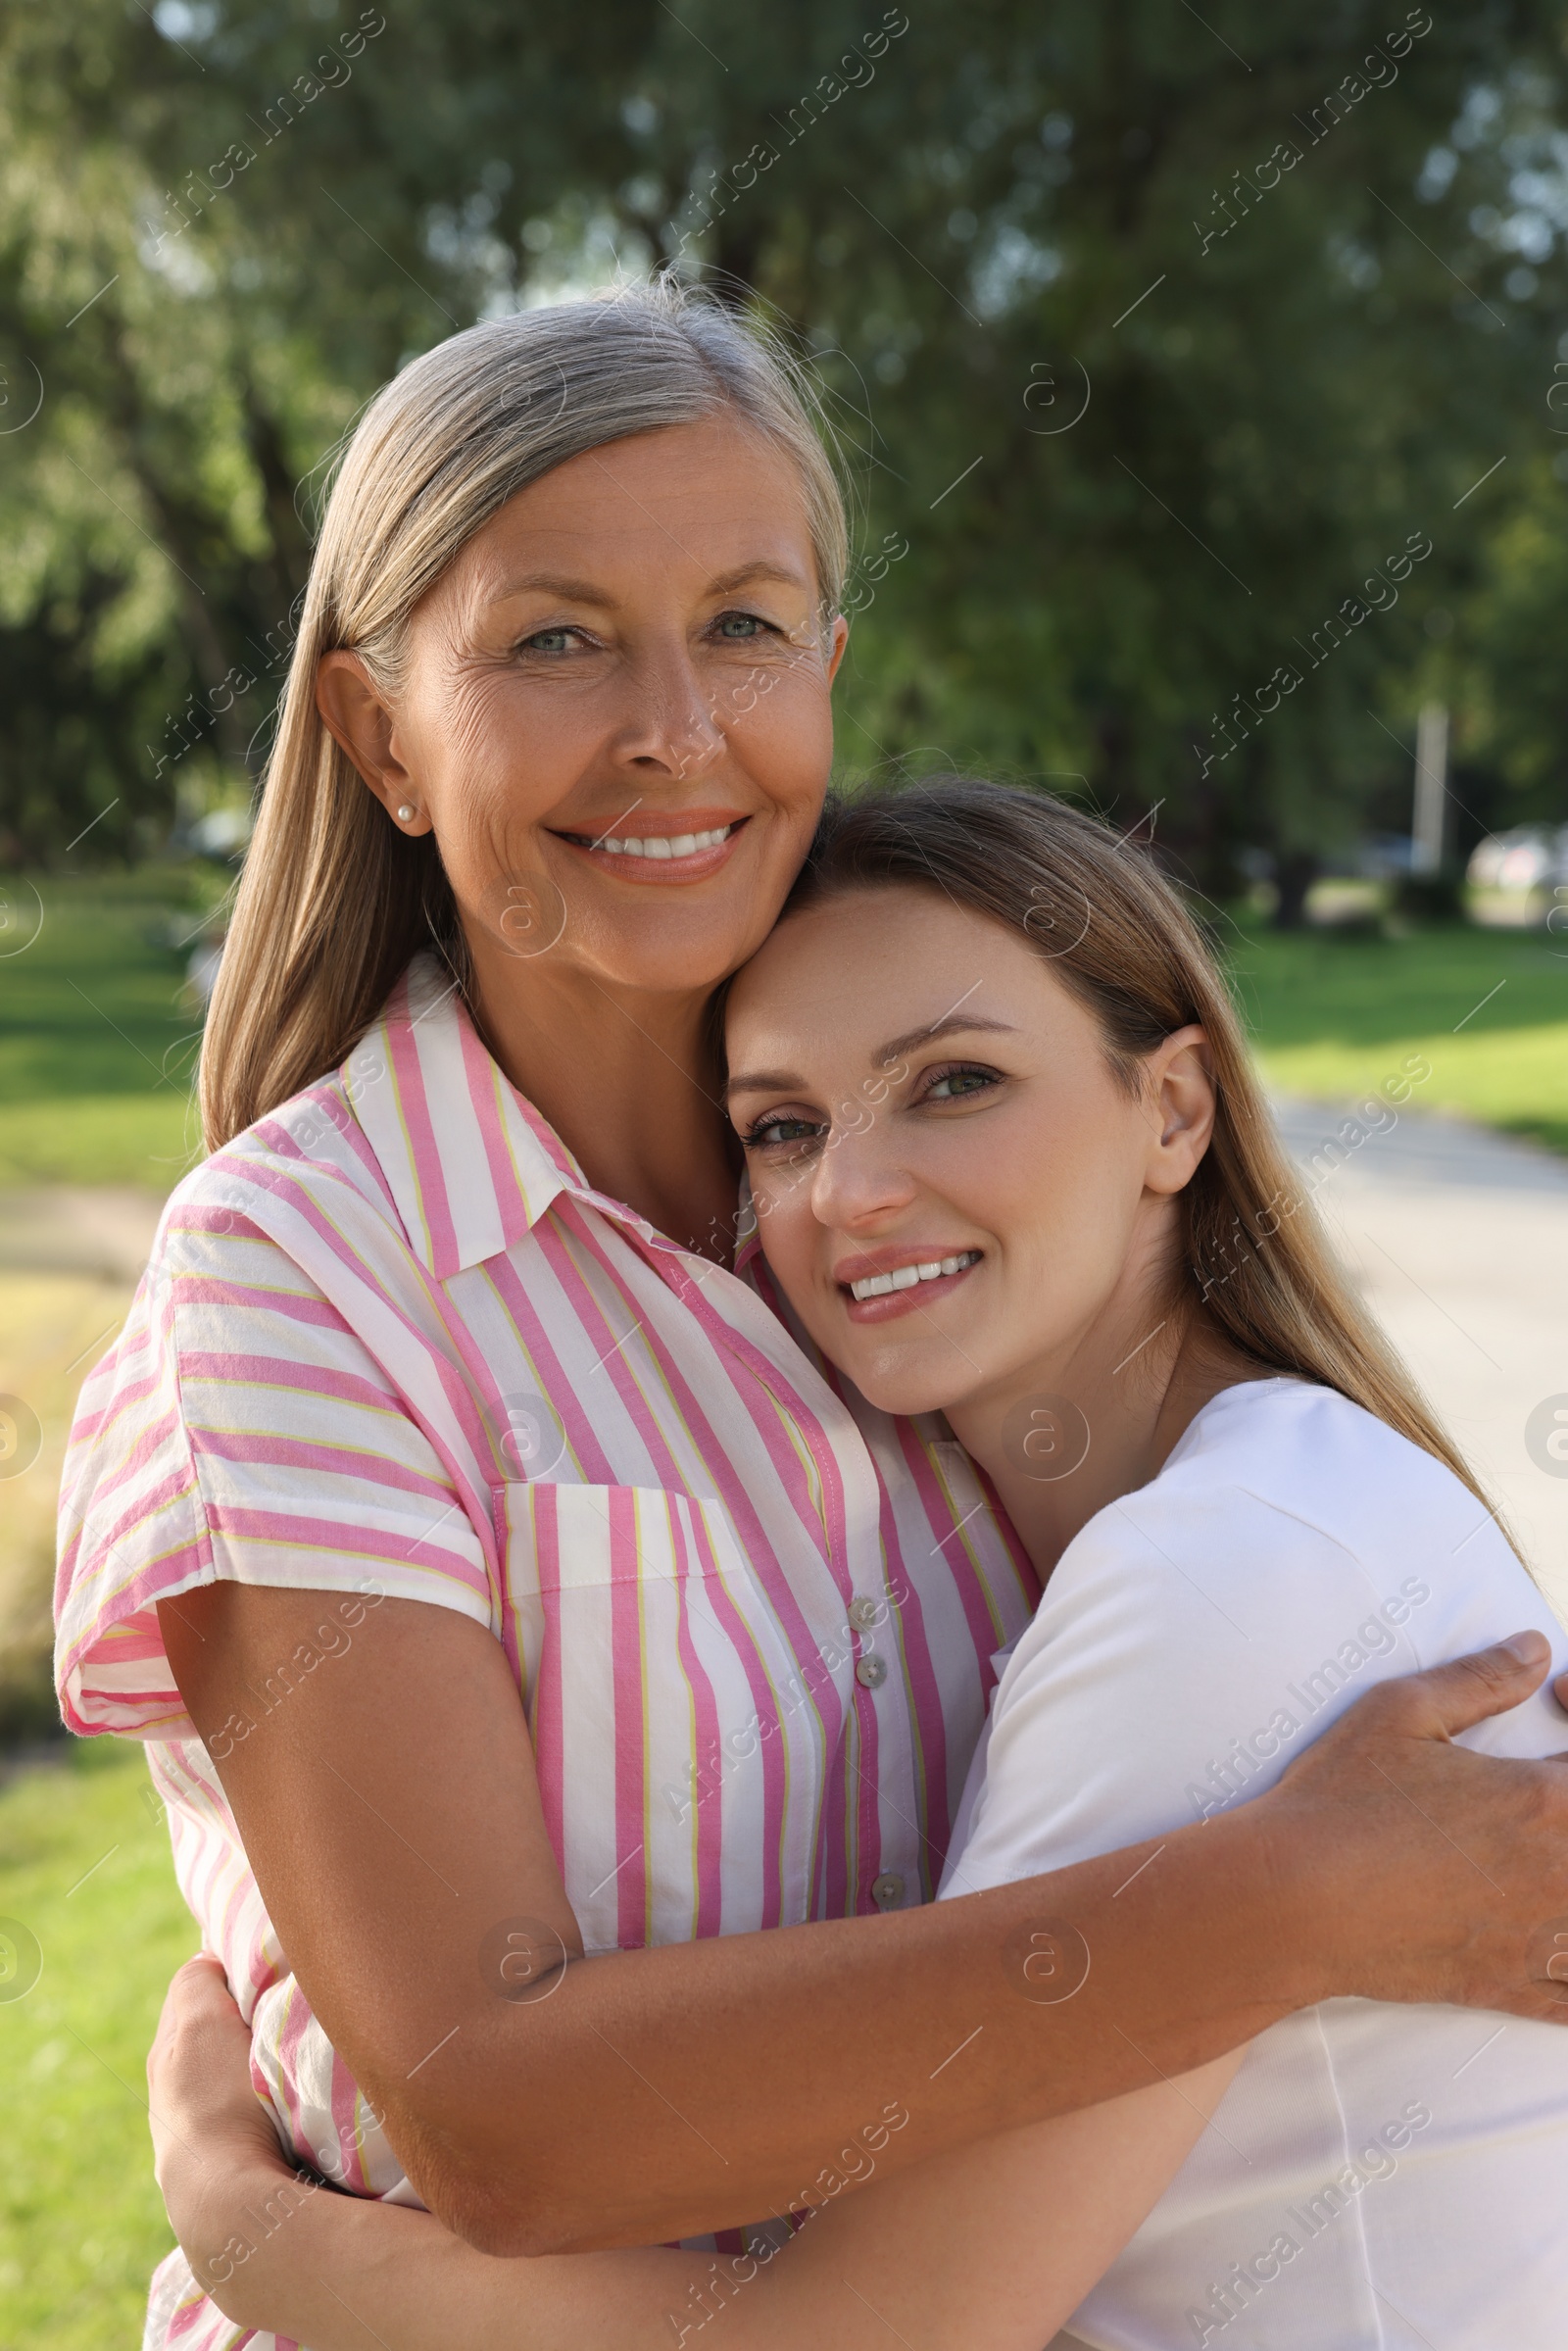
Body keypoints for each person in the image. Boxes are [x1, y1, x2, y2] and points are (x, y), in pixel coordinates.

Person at [53, 283, 1568, 2351]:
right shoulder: (309, 1272)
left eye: (746, 625)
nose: (675, 723)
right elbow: (505, 2117)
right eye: (555, 638)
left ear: (829, 670)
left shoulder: (890, 1264)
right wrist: (1294, 1902)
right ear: (377, 735)